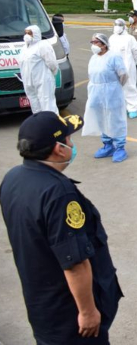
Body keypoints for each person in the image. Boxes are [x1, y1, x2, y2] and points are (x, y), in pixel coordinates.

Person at [0, 112, 123, 344]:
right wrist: (87, 312)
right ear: (58, 148)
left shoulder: (14, 178)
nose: (71, 145)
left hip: (41, 304)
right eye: (68, 139)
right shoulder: (59, 193)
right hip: (70, 313)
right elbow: (75, 262)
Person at [82, 33, 129, 163]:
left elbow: (123, 74)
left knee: (115, 119)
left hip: (112, 92)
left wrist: (114, 87)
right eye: (92, 42)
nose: (93, 45)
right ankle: (107, 145)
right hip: (96, 92)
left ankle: (120, 147)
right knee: (102, 118)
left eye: (96, 42)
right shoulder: (93, 58)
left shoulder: (113, 57)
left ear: (104, 44)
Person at [19, 25, 59, 114]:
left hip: (43, 81)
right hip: (29, 83)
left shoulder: (42, 45)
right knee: (35, 105)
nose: (27, 35)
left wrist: (51, 74)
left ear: (35, 34)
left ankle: (51, 121)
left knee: (47, 104)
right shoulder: (24, 48)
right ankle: (40, 121)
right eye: (26, 33)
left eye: (29, 33)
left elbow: (52, 63)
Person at [109, 18, 137, 119]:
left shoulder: (129, 38)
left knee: (130, 87)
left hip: (128, 67)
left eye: (119, 25)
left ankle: (132, 108)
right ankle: (122, 107)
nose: (117, 27)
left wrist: (132, 63)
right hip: (114, 68)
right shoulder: (112, 38)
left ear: (124, 27)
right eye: (115, 25)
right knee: (117, 88)